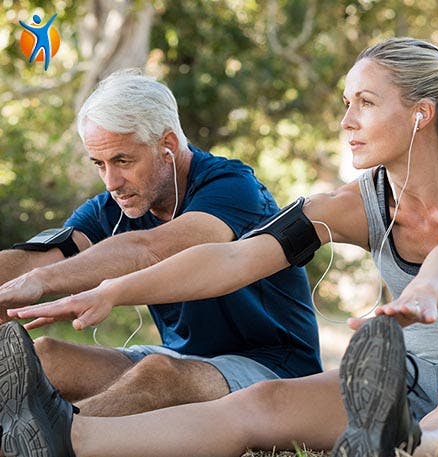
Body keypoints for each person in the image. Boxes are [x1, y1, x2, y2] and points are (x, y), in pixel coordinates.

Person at [2, 36, 438, 457]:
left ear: (421, 112)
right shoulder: (351, 203)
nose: (346, 121)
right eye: (346, 103)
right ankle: (66, 438)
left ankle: (413, 442)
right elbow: (234, 258)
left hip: (380, 377)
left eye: (366, 103)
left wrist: (425, 290)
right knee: (259, 403)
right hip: (403, 373)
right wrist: (111, 291)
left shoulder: (229, 182)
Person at [0, 70, 321, 418]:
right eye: (100, 164)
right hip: (183, 362)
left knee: (157, 375)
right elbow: (41, 258)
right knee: (45, 356)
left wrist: (43, 281)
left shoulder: (233, 187)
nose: (111, 181)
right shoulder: (114, 206)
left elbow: (150, 249)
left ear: (167, 146)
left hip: (275, 369)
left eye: (123, 161)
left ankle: (51, 441)